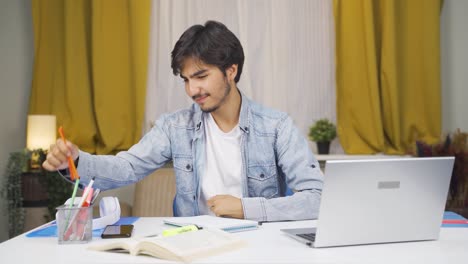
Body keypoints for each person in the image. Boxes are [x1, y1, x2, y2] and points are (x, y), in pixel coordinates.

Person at [43, 20, 323, 222]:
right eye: (186, 80)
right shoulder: (173, 127)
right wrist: (76, 160)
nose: (192, 90)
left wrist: (245, 208)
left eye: (200, 76)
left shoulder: (277, 127)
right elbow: (127, 167)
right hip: (194, 245)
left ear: (231, 71)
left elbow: (317, 198)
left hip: (260, 247)